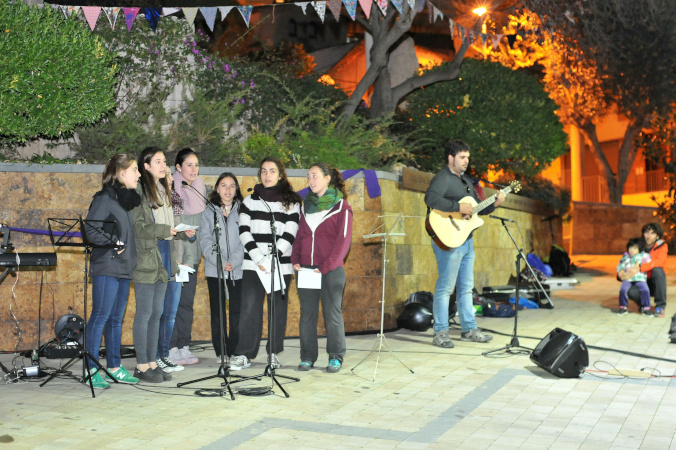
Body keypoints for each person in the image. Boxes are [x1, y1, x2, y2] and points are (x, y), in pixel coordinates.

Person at [424, 139, 505, 348]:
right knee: (445, 288)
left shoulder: (466, 181)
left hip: (466, 241)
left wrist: (494, 202)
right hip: (449, 241)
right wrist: (457, 207)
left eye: (467, 157)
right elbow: (431, 199)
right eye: (462, 157)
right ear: (450, 158)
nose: (466, 161)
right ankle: (440, 332)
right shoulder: (443, 178)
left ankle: (469, 329)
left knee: (466, 287)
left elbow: (476, 209)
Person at [230, 157, 302, 371]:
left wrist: (272, 258)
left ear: (280, 175)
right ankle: (244, 354)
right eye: (263, 171)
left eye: (272, 171)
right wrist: (259, 259)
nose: (267, 175)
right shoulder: (250, 201)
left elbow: (290, 232)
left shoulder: (292, 201)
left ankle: (273, 354)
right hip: (254, 266)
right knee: (249, 309)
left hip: (280, 266)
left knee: (277, 311)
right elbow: (244, 231)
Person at [133, 147, 195, 383]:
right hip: (149, 254)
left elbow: (167, 226)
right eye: (157, 161)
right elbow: (138, 227)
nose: (163, 165)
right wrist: (163, 230)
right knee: (145, 312)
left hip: (166, 251)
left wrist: (180, 233)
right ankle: (141, 365)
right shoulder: (141, 191)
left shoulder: (164, 190)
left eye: (164, 161)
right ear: (145, 166)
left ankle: (152, 363)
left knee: (157, 313)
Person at [84, 153, 142, 389]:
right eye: (135, 169)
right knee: (100, 317)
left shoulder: (125, 200)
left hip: (124, 267)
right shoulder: (104, 199)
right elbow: (91, 230)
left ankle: (115, 368)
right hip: (107, 265)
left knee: (116, 319)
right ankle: (91, 370)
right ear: (121, 173)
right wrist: (113, 242)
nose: (139, 174)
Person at [291, 163, 353, 373]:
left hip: (330, 270)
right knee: (307, 315)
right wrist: (295, 259)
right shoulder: (305, 206)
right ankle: (307, 357)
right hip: (307, 270)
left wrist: (326, 266)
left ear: (327, 179)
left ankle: (336, 357)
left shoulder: (341, 207)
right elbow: (300, 236)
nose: (311, 180)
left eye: (315, 176)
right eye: (309, 177)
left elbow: (343, 242)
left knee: (331, 314)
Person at [199, 172, 245, 364]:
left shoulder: (243, 210)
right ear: (217, 188)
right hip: (214, 269)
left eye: (232, 186)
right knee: (218, 312)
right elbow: (204, 238)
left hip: (237, 269)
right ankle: (221, 352)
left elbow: (245, 239)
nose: (228, 190)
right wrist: (217, 260)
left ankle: (234, 350)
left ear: (236, 190)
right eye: (224, 185)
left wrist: (233, 261)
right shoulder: (208, 212)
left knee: (237, 312)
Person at [168, 148, 206, 366]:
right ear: (179, 168)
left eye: (196, 165)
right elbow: (171, 225)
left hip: (192, 257)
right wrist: (178, 257)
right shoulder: (171, 189)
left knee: (186, 304)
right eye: (189, 165)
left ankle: (184, 345)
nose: (193, 169)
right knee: (172, 303)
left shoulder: (200, 188)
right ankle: (171, 347)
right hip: (175, 255)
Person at [154, 170, 185, 374]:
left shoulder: (175, 200)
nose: (172, 178)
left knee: (171, 314)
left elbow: (176, 233)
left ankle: (165, 355)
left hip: (177, 261)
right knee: (159, 312)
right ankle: (154, 357)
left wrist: (185, 231)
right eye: (168, 175)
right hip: (161, 260)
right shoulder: (154, 200)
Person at [625, 222, 668, 317]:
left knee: (658, 270)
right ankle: (645, 305)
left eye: (652, 233)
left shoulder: (662, 245)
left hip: (654, 282)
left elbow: (659, 262)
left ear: (657, 236)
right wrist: (622, 274)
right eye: (646, 232)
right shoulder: (637, 246)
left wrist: (640, 268)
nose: (648, 236)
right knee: (629, 290)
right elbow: (626, 261)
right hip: (641, 280)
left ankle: (660, 306)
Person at [617, 237, 652, 316]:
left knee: (645, 290)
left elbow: (649, 261)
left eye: (635, 248)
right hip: (627, 279)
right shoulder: (625, 257)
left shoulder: (643, 256)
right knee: (623, 290)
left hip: (640, 278)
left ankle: (646, 307)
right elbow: (620, 266)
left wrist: (638, 262)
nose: (632, 250)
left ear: (640, 248)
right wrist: (620, 271)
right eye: (630, 247)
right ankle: (623, 307)